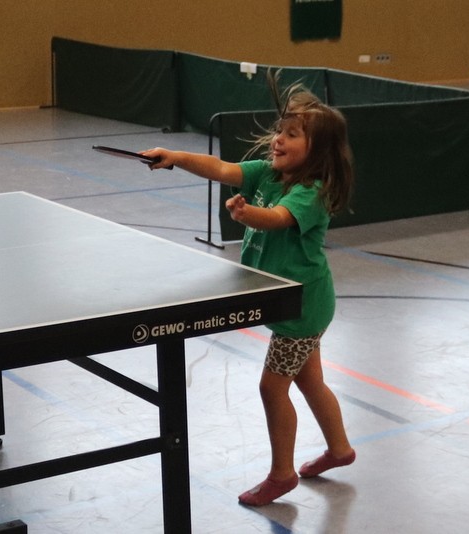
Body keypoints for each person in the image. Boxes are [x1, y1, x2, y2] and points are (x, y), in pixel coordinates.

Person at [142, 77, 356, 507]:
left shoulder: (310, 191)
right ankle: (339, 449)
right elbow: (222, 169)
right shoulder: (268, 173)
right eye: (280, 131)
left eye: (291, 135)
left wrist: (246, 213)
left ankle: (282, 475)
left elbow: (276, 219)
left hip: (300, 307)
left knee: (272, 388)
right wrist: (176, 157)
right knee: (310, 380)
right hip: (295, 302)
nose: (278, 140)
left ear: (318, 150)